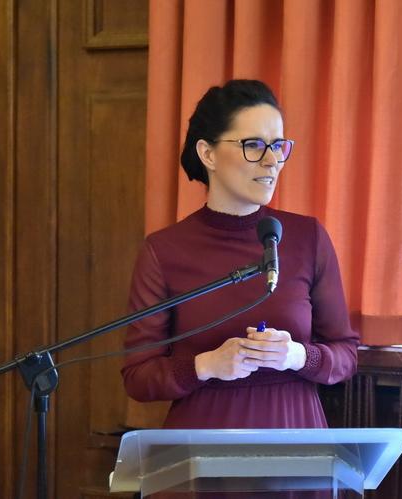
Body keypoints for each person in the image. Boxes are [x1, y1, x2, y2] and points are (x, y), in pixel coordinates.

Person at [121, 79, 359, 429]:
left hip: (294, 434)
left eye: (278, 146)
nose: (272, 161)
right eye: (254, 145)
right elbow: (138, 377)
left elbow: (346, 355)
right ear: (208, 154)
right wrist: (206, 365)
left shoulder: (308, 237)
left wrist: (297, 356)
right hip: (202, 442)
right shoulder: (164, 250)